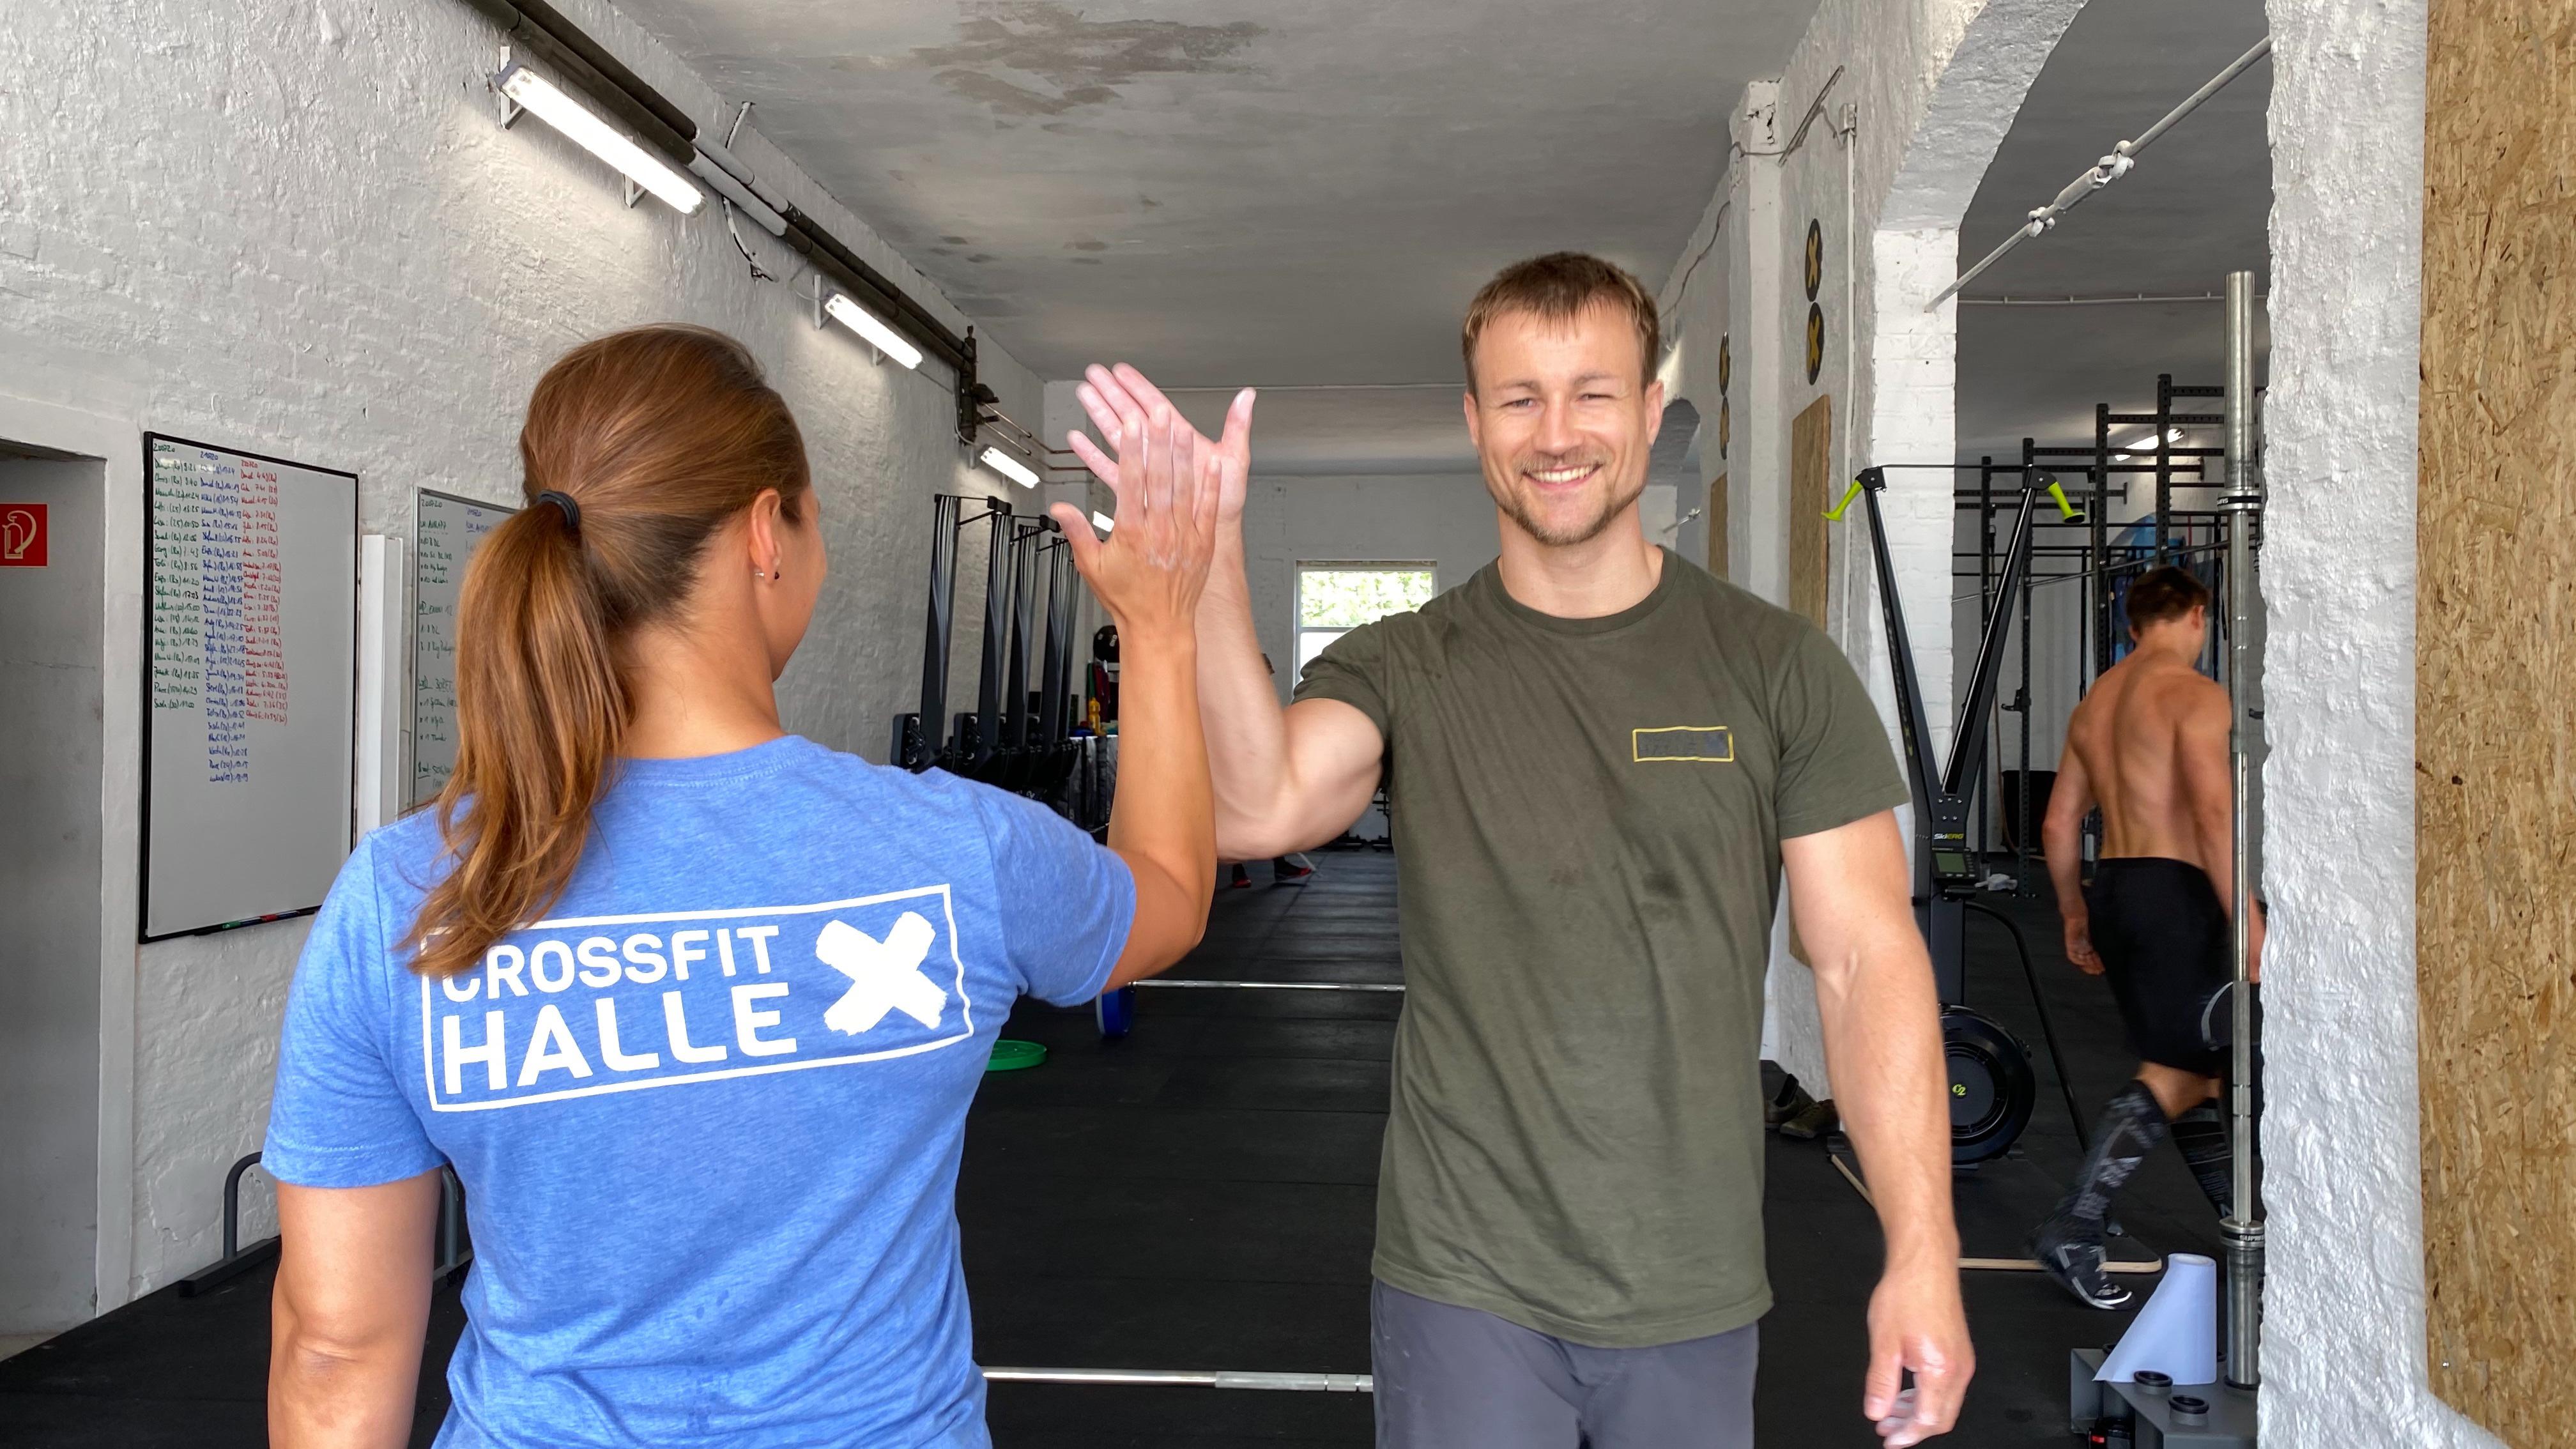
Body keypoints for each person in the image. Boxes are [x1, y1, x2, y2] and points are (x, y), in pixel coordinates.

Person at [261, 324, 1223, 1448]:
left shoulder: (409, 892)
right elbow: (1167, 893)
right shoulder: (954, 851)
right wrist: (1157, 631)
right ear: (768, 531)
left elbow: (336, 1347)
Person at [1068, 254, 1971, 1448]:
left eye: (1593, 392)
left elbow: (1863, 957)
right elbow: (1256, 807)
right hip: (1462, 1272)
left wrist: (1925, 1247)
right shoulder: (1407, 660)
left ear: (1651, 411)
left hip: (1689, 1273)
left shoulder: (1777, 666)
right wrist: (1216, 558)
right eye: (1519, 397)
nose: (1558, 433)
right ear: (1473, 422)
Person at [2030, 565, 2263, 1310]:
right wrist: (2249, 925)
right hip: (2179, 896)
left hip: (2119, 890)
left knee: (2202, 1073)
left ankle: (2254, 1231)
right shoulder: (2197, 696)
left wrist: (2074, 913)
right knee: (2181, 1071)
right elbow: (2211, 819)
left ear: (2133, 625)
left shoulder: (2097, 703)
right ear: (2200, 614)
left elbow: (2059, 823)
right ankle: (2077, 1224)